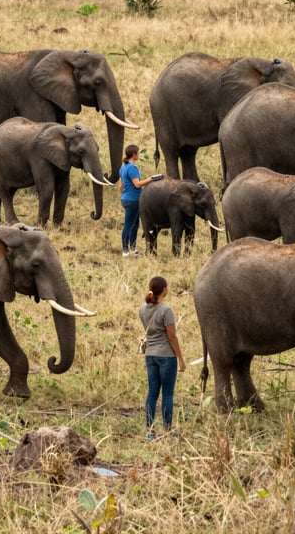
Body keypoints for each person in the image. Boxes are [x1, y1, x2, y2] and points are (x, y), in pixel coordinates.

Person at [140, 275, 186, 439]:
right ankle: (168, 429)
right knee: (167, 394)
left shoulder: (143, 309)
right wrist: (180, 358)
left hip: (150, 355)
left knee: (152, 393)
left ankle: (150, 430)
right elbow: (172, 337)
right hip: (166, 356)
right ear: (164, 290)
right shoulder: (166, 310)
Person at [118, 144, 156, 256]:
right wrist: (150, 179)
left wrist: (124, 196)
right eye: (138, 153)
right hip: (133, 200)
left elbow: (120, 186)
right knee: (129, 225)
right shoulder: (132, 168)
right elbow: (137, 184)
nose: (139, 154)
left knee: (134, 224)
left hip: (126, 199)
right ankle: (126, 250)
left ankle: (132, 249)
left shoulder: (123, 167)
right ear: (134, 155)